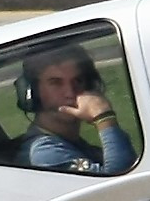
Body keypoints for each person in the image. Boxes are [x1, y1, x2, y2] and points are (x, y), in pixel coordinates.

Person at [16, 43, 137, 174]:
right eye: (55, 83)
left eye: (78, 81)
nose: (70, 92)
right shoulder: (45, 152)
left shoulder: (72, 144)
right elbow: (121, 179)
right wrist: (104, 117)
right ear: (32, 92)